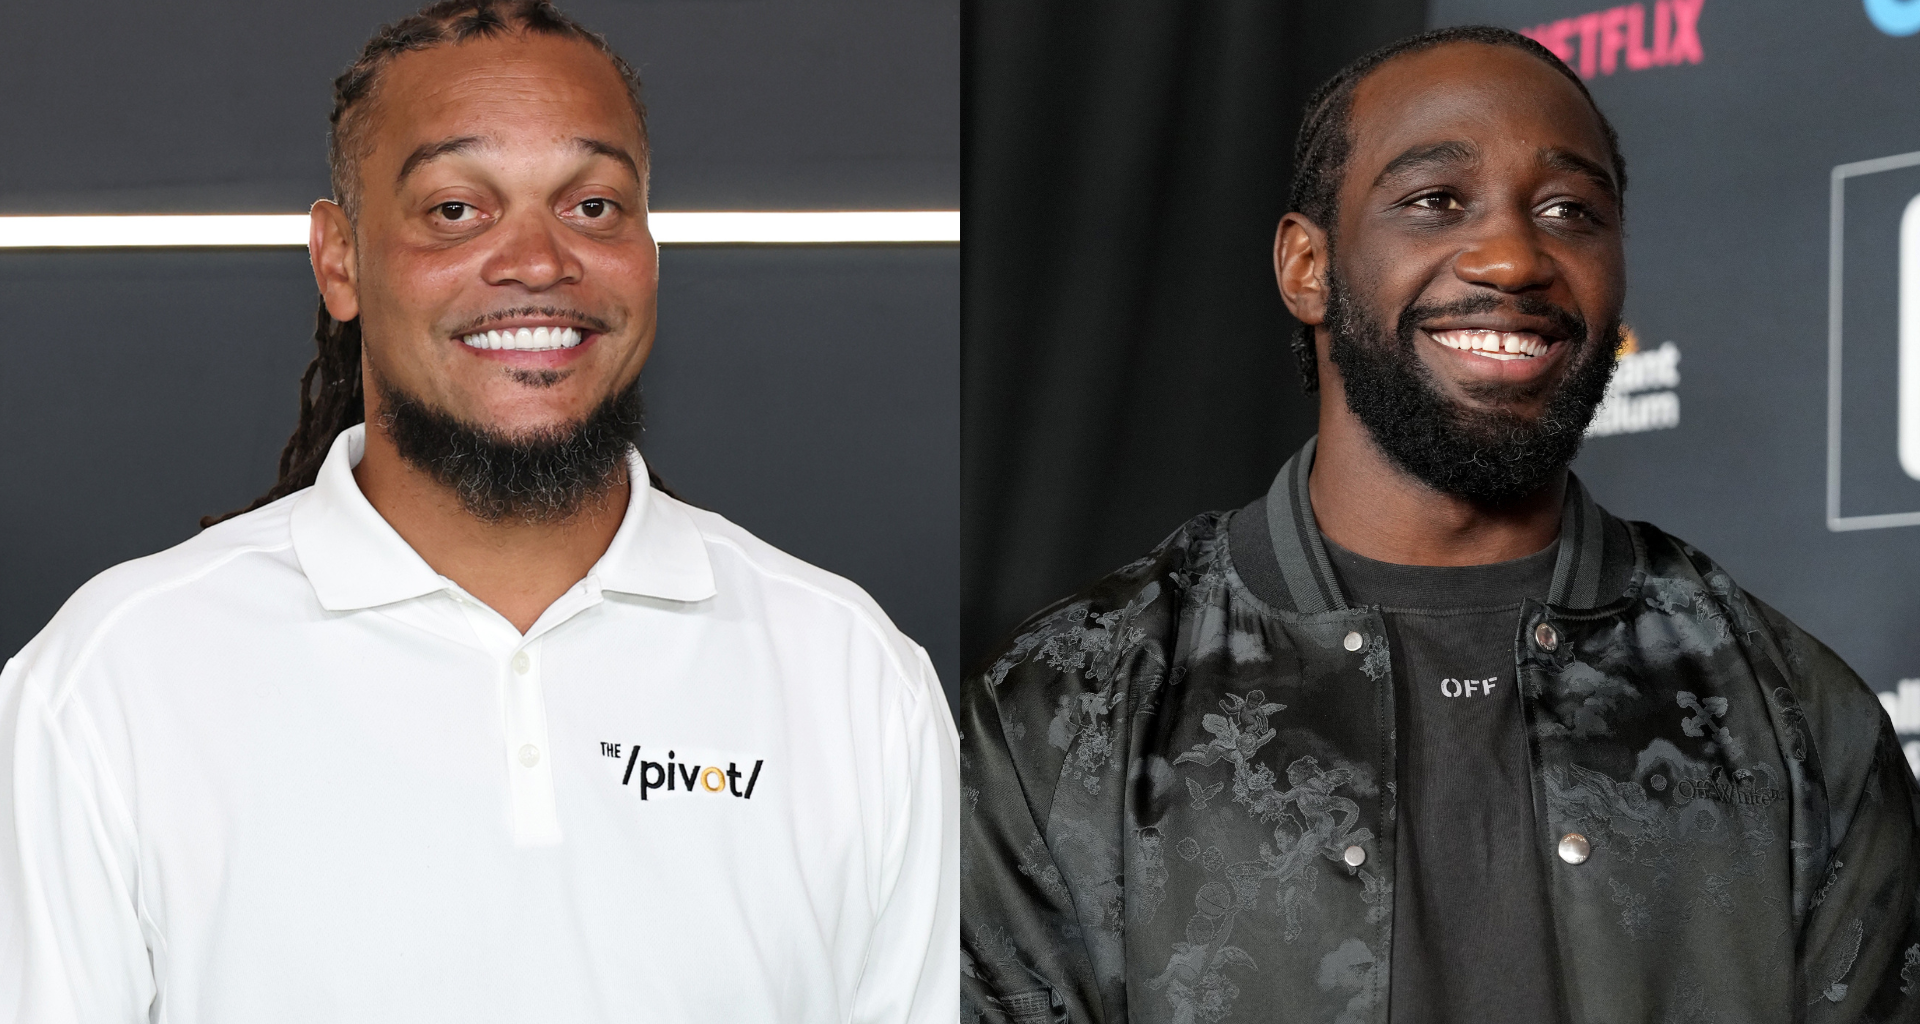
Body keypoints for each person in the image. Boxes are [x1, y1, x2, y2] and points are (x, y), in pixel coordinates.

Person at [0, 3, 956, 1020]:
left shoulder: (854, 679)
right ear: (339, 260)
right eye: (456, 209)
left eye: (594, 205)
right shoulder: (109, 684)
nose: (539, 260)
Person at [960, 25, 1919, 1024]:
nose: (1512, 257)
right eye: (1435, 201)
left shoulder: (1793, 717)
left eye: (1569, 211)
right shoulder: (1066, 708)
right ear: (1307, 266)